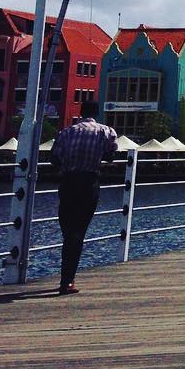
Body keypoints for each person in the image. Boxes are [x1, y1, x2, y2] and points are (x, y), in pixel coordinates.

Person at [50, 100, 118, 294]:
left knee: (68, 229)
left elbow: (54, 158)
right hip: (89, 182)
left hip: (68, 182)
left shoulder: (66, 132)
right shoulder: (105, 131)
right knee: (79, 231)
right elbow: (111, 154)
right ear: (96, 112)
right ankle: (68, 281)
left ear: (80, 112)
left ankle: (65, 278)